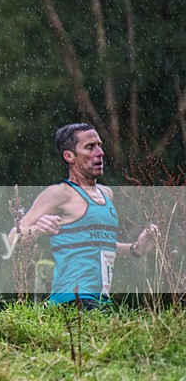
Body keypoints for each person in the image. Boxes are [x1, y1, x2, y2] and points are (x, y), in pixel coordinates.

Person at [11, 123, 157, 307]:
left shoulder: (106, 194)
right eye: (90, 147)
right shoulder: (59, 194)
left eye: (100, 145)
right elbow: (12, 238)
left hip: (101, 301)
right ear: (69, 156)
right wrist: (37, 229)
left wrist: (136, 249)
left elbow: (98, 244)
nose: (100, 152)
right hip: (72, 302)